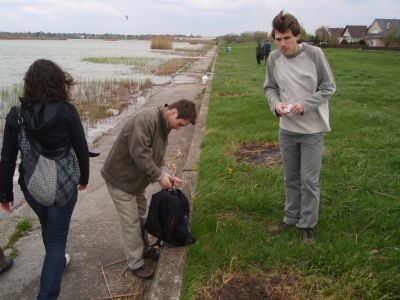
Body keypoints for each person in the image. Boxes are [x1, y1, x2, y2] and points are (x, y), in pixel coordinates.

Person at [0, 59, 89, 299]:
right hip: (63, 187)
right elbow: (81, 147)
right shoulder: (66, 111)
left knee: (49, 229)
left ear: (29, 84)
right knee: (57, 239)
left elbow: (7, 158)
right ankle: (47, 294)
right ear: (59, 82)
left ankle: (56, 262)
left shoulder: (16, 115)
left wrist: (5, 194)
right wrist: (84, 178)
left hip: (33, 187)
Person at [101, 99, 197, 279]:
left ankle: (144, 248)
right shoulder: (145, 120)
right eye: (180, 124)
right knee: (131, 222)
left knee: (142, 216)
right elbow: (140, 154)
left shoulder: (164, 125)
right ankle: (135, 264)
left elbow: (157, 158)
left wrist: (166, 174)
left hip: (136, 181)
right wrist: (159, 177)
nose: (178, 129)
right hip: (120, 179)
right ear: (174, 111)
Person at [264, 11, 336, 246]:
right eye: (278, 39)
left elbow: (328, 87)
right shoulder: (273, 58)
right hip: (287, 129)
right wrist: (276, 104)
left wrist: (303, 105)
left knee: (309, 181)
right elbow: (270, 88)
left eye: (287, 38)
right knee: (291, 178)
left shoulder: (315, 54)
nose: (282, 44)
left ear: (297, 36)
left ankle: (308, 225)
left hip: (312, 130)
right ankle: (290, 217)